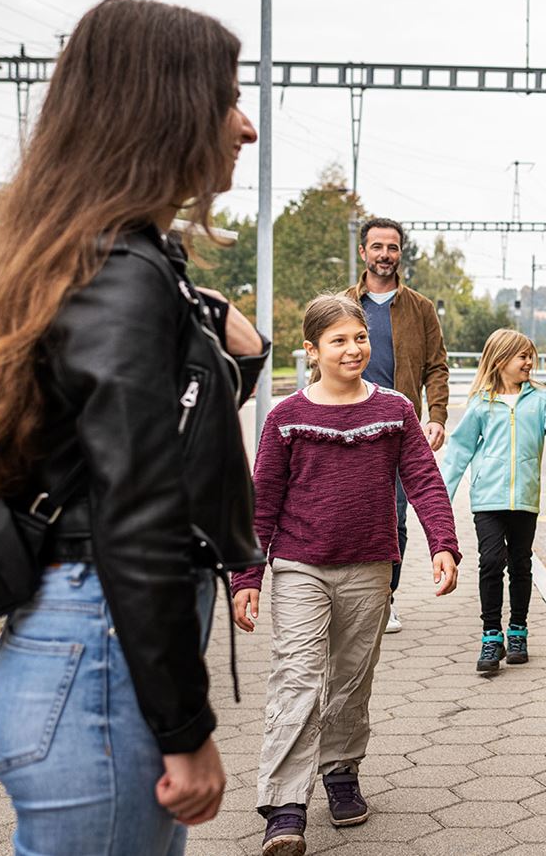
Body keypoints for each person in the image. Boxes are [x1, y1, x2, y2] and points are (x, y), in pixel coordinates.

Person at [0, 0, 267, 854]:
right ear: (163, 108)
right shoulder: (120, 271)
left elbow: (151, 440)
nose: (244, 128)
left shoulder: (96, 257)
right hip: (101, 671)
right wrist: (186, 729)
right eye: (226, 100)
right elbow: (135, 515)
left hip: (85, 661)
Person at [230, 294, 460, 855]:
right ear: (312, 350)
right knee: (298, 677)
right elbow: (263, 501)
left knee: (352, 681)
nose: (354, 348)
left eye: (360, 337)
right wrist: (246, 578)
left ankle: (340, 771)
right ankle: (285, 804)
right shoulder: (287, 417)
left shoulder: (395, 409)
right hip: (299, 566)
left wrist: (442, 544)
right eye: (338, 340)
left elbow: (424, 481)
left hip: (370, 565)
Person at [438, 329, 546, 673]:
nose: (529, 362)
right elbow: (459, 451)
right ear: (501, 360)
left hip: (525, 498)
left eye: (530, 356)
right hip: (487, 499)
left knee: (521, 564)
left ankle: (518, 630)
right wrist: (442, 497)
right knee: (491, 562)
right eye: (522, 356)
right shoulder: (481, 404)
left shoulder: (541, 400)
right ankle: (491, 635)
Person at [342, 218, 451, 634]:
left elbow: (436, 367)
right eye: (377, 247)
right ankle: (350, 596)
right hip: (350, 426)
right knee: (350, 513)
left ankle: (385, 598)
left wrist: (436, 416)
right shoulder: (345, 306)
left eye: (393, 247)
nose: (385, 254)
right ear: (363, 252)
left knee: (395, 519)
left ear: (400, 252)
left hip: (399, 429)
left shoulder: (420, 308)